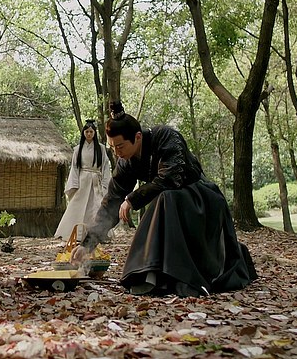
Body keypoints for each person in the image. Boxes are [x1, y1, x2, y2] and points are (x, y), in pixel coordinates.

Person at [72, 101, 257, 297]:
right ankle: (151, 274)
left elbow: (170, 178)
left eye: (120, 146)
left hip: (200, 199)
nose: (117, 153)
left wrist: (132, 199)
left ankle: (171, 274)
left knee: (165, 197)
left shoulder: (166, 137)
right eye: (112, 148)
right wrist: (87, 245)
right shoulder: (125, 162)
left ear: (137, 137)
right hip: (169, 205)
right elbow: (112, 201)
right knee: (164, 199)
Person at [54, 119, 112, 240]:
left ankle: (99, 235)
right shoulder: (78, 149)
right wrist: (74, 184)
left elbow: (105, 166)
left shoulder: (101, 148)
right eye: (87, 132)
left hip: (96, 180)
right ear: (83, 133)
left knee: (97, 206)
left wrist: (105, 183)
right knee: (78, 205)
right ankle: (74, 233)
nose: (89, 134)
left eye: (91, 132)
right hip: (83, 180)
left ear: (94, 133)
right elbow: (75, 168)